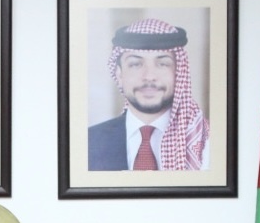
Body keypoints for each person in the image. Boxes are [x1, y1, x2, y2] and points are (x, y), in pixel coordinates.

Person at [87, 19, 210, 172]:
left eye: (162, 64)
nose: (149, 76)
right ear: (119, 74)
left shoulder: (207, 142)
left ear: (179, 73)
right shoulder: (88, 142)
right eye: (135, 64)